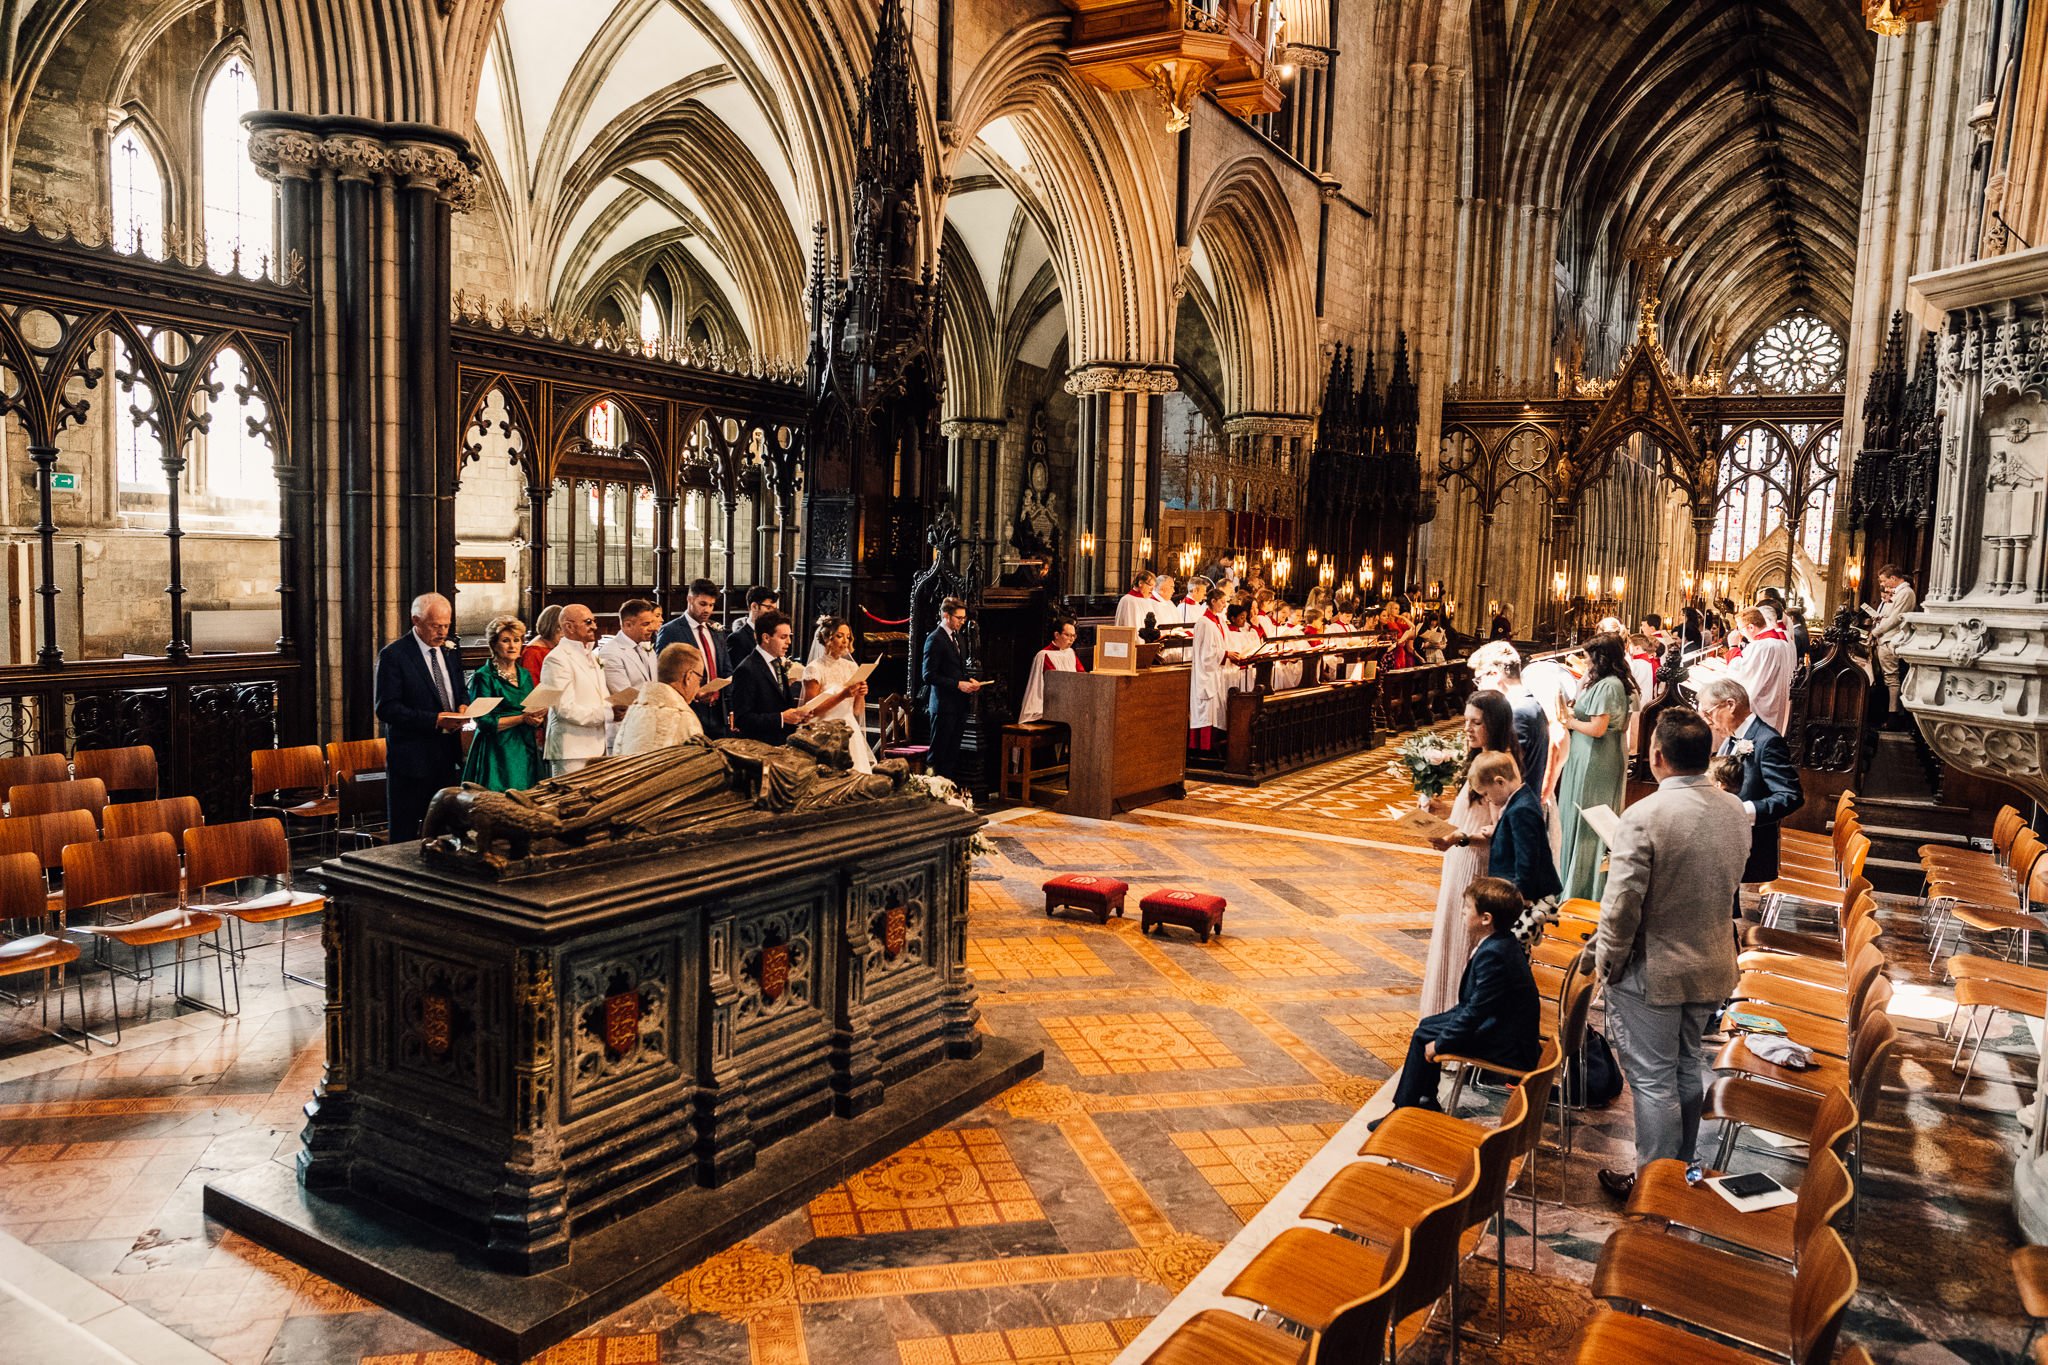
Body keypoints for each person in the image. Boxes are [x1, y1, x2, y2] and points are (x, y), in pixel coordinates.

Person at [1593, 708, 1751, 1200]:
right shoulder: (1734, 810)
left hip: (1654, 969)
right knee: (1685, 1066)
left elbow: (1621, 907)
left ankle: (1654, 1188)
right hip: (1711, 959)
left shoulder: (1644, 816)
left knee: (1653, 1079)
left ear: (1657, 756)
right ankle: (1679, 1173)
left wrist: (1608, 961)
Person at [1378, 876, 1541, 1120]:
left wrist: (1441, 1043)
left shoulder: (1494, 955)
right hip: (1503, 1027)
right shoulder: (1502, 942)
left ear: (1486, 919)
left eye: (1467, 909)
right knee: (1426, 1026)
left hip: (1508, 1044)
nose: (1463, 913)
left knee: (1425, 1036)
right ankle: (1424, 1099)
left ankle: (1404, 1110)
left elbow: (1476, 1011)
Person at [1420, 691, 1519, 1015]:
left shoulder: (1499, 763)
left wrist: (1460, 838)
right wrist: (1442, 808)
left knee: (1463, 943)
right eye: (1466, 721)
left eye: (1476, 722)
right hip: (1459, 859)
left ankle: (1454, 1017)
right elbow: (1475, 810)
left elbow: (1498, 830)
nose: (1468, 729)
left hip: (1475, 867)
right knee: (1451, 937)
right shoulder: (1481, 757)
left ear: (1494, 723)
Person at [374, 591, 471, 841]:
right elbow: (386, 708)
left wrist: (462, 706)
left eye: (446, 625)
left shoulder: (450, 650)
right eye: (435, 626)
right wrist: (435, 720)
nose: (442, 632)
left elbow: (460, 689)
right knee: (406, 833)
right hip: (411, 758)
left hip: (446, 754)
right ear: (416, 621)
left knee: (444, 830)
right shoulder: (394, 655)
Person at [1693, 674, 1804, 891]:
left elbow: (1790, 796)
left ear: (1730, 705)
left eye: (1708, 712)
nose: (1707, 720)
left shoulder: (1767, 741)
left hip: (1749, 842)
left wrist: (1742, 811)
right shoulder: (1730, 739)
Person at [1556, 632, 1636, 900]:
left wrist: (1568, 721)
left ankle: (1582, 887)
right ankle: (1569, 877)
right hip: (1587, 753)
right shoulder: (1606, 682)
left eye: (1589, 656)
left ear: (1600, 658)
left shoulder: (1610, 686)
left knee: (1587, 817)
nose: (1586, 661)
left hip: (1596, 757)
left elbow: (1598, 728)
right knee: (1575, 812)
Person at [461, 613, 543, 792]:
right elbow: (484, 722)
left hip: (524, 747)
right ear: (494, 645)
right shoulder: (484, 677)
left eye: (516, 640)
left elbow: (531, 708)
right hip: (496, 752)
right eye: (506, 640)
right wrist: (522, 718)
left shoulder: (525, 674)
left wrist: (538, 718)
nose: (512, 645)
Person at [1477, 748, 1562, 907]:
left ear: (1500, 782)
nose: (1487, 799)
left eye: (1486, 793)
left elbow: (1527, 858)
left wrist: (1523, 897)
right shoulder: (1522, 798)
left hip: (1524, 897)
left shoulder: (1521, 810)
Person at [538, 603, 614, 777]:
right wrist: (607, 713)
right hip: (572, 750)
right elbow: (565, 708)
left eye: (594, 621)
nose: (594, 626)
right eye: (588, 622)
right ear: (569, 626)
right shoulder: (557, 659)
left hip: (598, 744)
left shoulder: (592, 655)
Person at [1468, 641, 1550, 799]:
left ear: (1494, 674)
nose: (1479, 687)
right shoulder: (1530, 702)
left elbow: (1503, 774)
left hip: (1513, 807)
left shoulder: (1516, 711)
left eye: (1479, 680)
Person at [657, 579, 733, 737]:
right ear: (690, 599)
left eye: (711, 605)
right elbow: (664, 675)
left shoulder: (716, 631)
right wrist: (694, 692)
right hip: (689, 709)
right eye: (703, 604)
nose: (708, 610)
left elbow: (726, 668)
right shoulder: (671, 631)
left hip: (719, 712)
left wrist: (730, 706)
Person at [923, 597, 982, 782]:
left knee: (952, 753)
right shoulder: (935, 639)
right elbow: (928, 675)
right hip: (943, 706)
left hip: (958, 705)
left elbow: (957, 671)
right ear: (946, 615)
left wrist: (969, 681)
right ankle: (930, 791)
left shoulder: (959, 638)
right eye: (959, 618)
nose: (962, 621)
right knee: (938, 753)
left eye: (963, 618)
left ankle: (945, 791)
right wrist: (958, 684)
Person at [804, 617, 875, 770]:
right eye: (839, 636)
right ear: (826, 638)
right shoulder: (814, 669)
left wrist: (861, 693)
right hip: (824, 731)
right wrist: (843, 695)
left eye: (848, 637)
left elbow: (857, 710)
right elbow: (811, 710)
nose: (845, 641)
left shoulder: (851, 667)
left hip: (849, 728)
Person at [613, 642, 706, 756]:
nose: (699, 687)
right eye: (700, 679)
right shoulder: (684, 717)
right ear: (689, 676)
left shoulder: (634, 710)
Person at [729, 609, 807, 745]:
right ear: (766, 638)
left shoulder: (777, 663)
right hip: (760, 747)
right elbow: (742, 719)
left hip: (781, 743)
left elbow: (781, 703)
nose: (789, 642)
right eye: (783, 637)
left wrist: (799, 715)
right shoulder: (747, 669)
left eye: (789, 636)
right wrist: (781, 718)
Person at [596, 598, 659, 750]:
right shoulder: (611, 652)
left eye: (651, 622)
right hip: (626, 729)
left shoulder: (646, 648)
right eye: (645, 624)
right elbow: (624, 695)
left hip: (648, 725)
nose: (652, 628)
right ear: (627, 625)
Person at [1726, 605, 1795, 734]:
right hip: (1774, 700)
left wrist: (1733, 646)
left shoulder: (1760, 646)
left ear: (1751, 627)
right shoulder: (1782, 643)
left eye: (1741, 630)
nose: (1741, 634)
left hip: (1761, 704)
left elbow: (1740, 673)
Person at [1870, 564, 1917, 723]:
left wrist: (1876, 631)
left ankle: (1893, 716)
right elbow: (1888, 615)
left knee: (1892, 678)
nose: (1883, 585)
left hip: (1891, 639)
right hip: (1885, 638)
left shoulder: (1906, 593)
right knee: (1886, 677)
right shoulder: (1898, 593)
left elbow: (1896, 618)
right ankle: (1888, 713)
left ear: (1893, 578)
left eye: (1884, 581)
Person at [1017, 618, 1085, 725]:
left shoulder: (1070, 653)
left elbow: (1081, 675)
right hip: (1050, 703)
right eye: (1067, 635)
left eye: (1073, 636)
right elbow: (1054, 682)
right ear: (1057, 635)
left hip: (1069, 699)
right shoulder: (1044, 655)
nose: (1071, 639)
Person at [1188, 586, 1231, 752]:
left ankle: (1212, 746)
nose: (1224, 606)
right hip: (1206, 674)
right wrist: (1226, 654)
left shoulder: (1218, 620)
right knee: (1205, 712)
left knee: (1214, 712)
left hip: (1216, 672)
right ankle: (1202, 748)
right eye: (1222, 602)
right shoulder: (1204, 623)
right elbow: (1206, 655)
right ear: (1212, 602)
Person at [727, 585, 780, 661]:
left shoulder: (772, 634)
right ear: (754, 607)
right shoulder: (737, 639)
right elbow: (738, 671)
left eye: (774, 609)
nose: (773, 613)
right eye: (768, 608)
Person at [519, 603, 564, 687]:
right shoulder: (533, 652)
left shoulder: (555, 646)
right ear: (550, 626)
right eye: (559, 628)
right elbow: (532, 685)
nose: (564, 633)